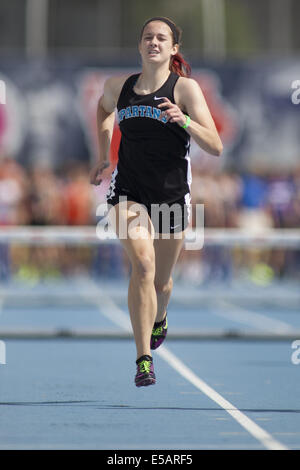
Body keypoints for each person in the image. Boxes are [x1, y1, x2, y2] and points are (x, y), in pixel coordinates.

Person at [90, 16, 223, 387]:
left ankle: (160, 316)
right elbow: (102, 109)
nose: (154, 42)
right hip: (128, 194)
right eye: (148, 36)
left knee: (162, 282)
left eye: (161, 38)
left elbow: (215, 145)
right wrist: (103, 154)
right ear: (139, 45)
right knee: (143, 268)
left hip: (171, 197)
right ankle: (143, 358)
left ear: (173, 48)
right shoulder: (119, 87)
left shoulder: (186, 90)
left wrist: (186, 121)